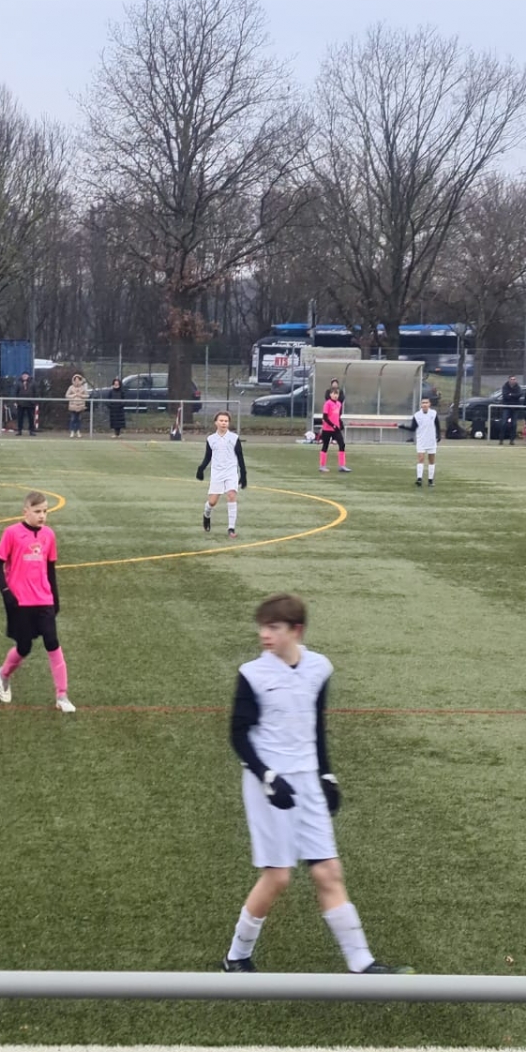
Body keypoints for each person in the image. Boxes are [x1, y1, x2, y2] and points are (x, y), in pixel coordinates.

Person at [220, 593, 412, 976]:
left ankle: (362, 963)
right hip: (268, 784)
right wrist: (267, 777)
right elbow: (238, 735)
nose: (265, 635)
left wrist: (326, 774)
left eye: (274, 627)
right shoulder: (252, 674)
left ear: (296, 630)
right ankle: (236, 957)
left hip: (307, 779)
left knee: (328, 871)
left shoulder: (319, 669)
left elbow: (316, 727)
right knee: (278, 876)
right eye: (263, 627)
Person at [0, 490, 74, 713]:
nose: (42, 516)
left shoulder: (49, 535)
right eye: (37, 511)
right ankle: (3, 674)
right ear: (25, 511)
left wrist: (55, 598)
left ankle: (62, 695)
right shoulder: (11, 533)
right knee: (24, 647)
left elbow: (50, 568)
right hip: (20, 601)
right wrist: (6, 592)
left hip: (44, 599)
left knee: (52, 642)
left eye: (45, 511)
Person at [197, 410, 248, 538]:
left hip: (231, 472)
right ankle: (206, 514)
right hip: (217, 473)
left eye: (226, 421)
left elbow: (240, 456)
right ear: (216, 422)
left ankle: (231, 528)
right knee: (212, 502)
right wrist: (201, 469)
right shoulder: (211, 439)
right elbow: (208, 456)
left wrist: (243, 474)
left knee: (231, 495)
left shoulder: (234, 438)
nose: (223, 423)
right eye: (221, 420)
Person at [317, 383, 348, 473]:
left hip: (336, 429)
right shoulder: (327, 404)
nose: (335, 395)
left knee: (342, 444)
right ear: (330, 394)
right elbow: (325, 417)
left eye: (337, 394)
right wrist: (332, 425)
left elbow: (337, 416)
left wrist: (339, 425)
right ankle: (322, 466)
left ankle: (342, 465)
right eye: (334, 393)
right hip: (327, 429)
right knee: (325, 446)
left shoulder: (339, 404)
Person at [498, 376, 523, 444]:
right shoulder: (505, 386)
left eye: (514, 379)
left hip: (515, 408)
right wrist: (514, 396)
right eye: (511, 379)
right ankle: (501, 439)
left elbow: (519, 394)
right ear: (509, 380)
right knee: (503, 423)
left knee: (514, 424)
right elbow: (505, 396)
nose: (513, 380)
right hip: (506, 407)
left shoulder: (518, 387)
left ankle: (512, 440)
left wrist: (511, 395)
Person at [65, 373, 90, 438]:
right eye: (75, 380)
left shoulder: (83, 388)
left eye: (78, 380)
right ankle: (72, 431)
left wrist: (81, 395)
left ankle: (78, 431)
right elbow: (67, 395)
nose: (77, 381)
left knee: (79, 419)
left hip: (80, 406)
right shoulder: (71, 387)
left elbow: (87, 395)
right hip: (73, 406)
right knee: (73, 419)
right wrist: (74, 395)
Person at [13, 372, 37, 437]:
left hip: (30, 403)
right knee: (20, 418)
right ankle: (19, 431)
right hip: (20, 403)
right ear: (21, 376)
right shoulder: (18, 382)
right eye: (23, 375)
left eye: (26, 375)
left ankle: (31, 431)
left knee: (31, 418)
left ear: (28, 376)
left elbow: (36, 392)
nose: (24, 376)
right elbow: (15, 392)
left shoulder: (33, 382)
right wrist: (15, 401)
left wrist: (35, 401)